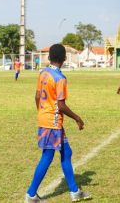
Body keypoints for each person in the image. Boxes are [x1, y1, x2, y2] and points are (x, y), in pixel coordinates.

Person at [25, 44, 91, 203]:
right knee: (47, 156)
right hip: (52, 122)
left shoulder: (43, 73)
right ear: (64, 58)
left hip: (48, 120)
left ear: (49, 58)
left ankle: (75, 191)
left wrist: (42, 112)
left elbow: (37, 96)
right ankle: (31, 194)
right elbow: (61, 105)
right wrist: (77, 118)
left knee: (66, 153)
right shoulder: (60, 79)